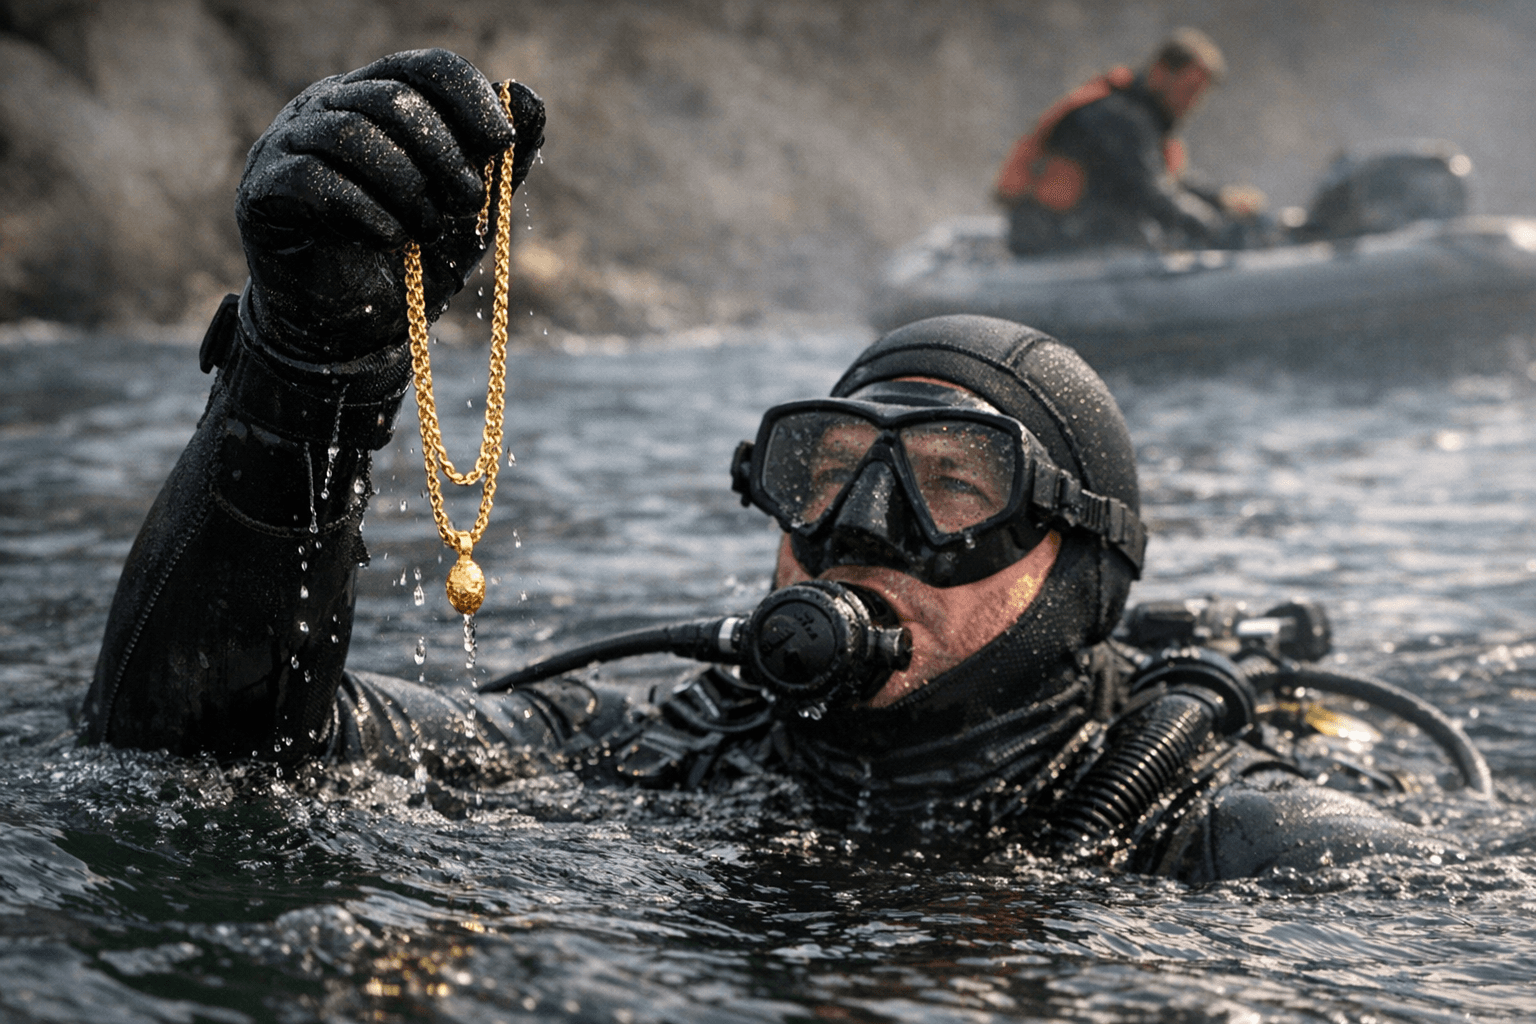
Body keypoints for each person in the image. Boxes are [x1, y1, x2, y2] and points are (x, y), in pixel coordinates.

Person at [83, 50, 1471, 883]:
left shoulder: (1241, 841)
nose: (862, 525)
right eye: (823, 468)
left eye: (955, 482)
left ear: (1078, 571)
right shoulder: (665, 749)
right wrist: (302, 377)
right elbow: (209, 751)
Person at [994, 28, 1264, 256]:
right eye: (1188, 90)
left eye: (1198, 96)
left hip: (1067, 232)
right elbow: (1150, 193)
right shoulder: (1118, 117)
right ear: (1160, 73)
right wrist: (1216, 229)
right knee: (1139, 234)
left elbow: (1166, 179)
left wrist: (1220, 200)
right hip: (1050, 240)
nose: (1191, 104)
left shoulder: (1137, 114)